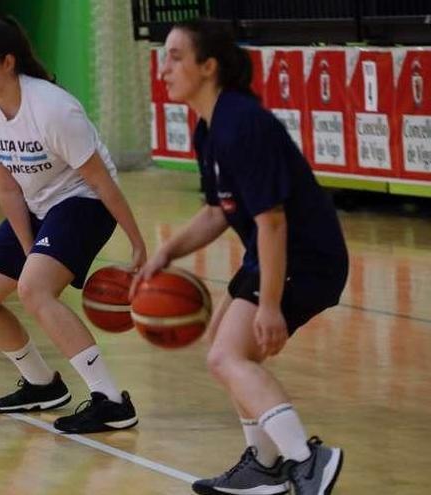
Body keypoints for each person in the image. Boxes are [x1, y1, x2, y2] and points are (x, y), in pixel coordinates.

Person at [141, 20, 348, 495]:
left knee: (229, 355)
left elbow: (272, 221)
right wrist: (168, 252)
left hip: (304, 256)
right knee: (223, 345)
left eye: (175, 56)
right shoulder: (209, 127)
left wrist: (271, 304)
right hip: (274, 252)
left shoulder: (242, 123)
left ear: (208, 66)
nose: (164, 67)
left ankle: (306, 458)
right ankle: (266, 465)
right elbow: (218, 211)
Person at [0, 18, 148, 434]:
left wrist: (138, 244)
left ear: (9, 63)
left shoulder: (53, 108)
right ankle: (42, 385)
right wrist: (30, 249)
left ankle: (112, 401)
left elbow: (102, 181)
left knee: (34, 289)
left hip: (84, 201)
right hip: (36, 203)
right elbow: (6, 189)